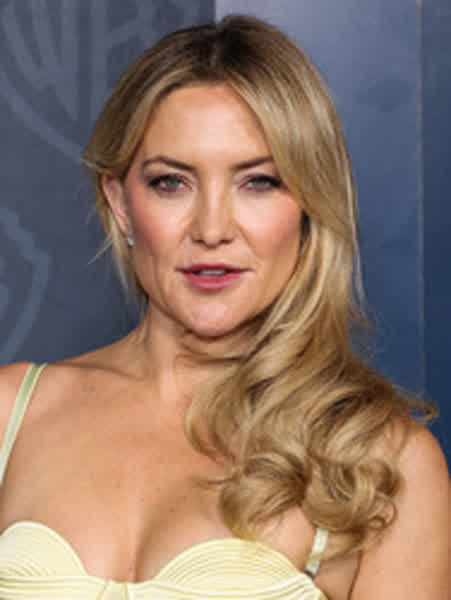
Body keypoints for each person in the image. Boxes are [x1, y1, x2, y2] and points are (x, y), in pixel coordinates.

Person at [0, 14, 448, 600]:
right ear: (122, 204)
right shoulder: (11, 415)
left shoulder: (380, 464)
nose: (212, 229)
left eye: (258, 182)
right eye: (171, 182)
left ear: (309, 205)